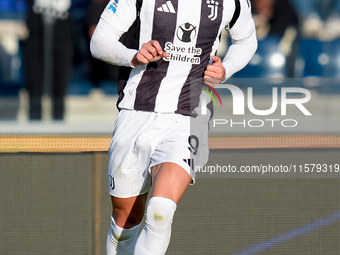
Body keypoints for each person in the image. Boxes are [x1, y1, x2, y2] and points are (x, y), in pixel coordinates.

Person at [90, 0, 257, 254]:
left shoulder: (232, 2)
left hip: (188, 115)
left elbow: (246, 41)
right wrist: (132, 56)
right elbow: (99, 40)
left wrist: (226, 69)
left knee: (160, 211)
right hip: (136, 112)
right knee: (126, 220)